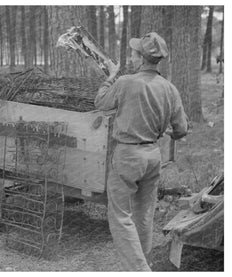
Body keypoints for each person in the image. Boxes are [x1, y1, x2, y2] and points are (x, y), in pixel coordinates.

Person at [94, 32, 188, 271]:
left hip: (127, 157)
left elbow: (101, 103)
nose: (131, 58)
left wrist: (111, 77)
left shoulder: (125, 82)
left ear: (143, 58)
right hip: (153, 156)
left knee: (120, 217)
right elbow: (181, 129)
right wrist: (170, 132)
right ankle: (143, 262)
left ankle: (139, 270)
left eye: (134, 54)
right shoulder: (170, 89)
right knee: (144, 214)